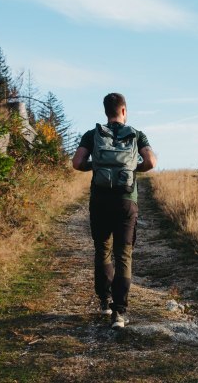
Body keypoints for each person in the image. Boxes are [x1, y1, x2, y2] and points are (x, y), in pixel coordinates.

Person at [71, 93, 157, 329]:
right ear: (124, 110)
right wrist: (132, 168)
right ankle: (119, 313)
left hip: (100, 200)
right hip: (126, 201)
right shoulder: (136, 134)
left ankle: (104, 301)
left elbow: (77, 163)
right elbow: (151, 162)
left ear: (106, 111)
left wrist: (96, 165)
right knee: (124, 255)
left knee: (102, 250)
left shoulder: (93, 134)